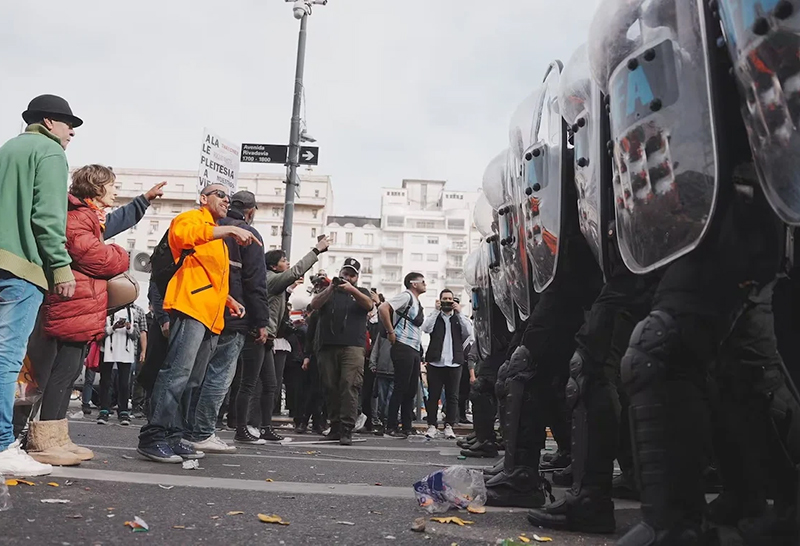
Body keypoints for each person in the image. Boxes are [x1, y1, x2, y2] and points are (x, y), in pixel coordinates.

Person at [137, 184, 257, 463]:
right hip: (190, 307)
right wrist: (229, 230)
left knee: (191, 380)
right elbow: (183, 236)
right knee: (176, 373)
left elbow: (206, 274)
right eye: (220, 194)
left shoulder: (215, 234)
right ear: (204, 198)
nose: (227, 199)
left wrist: (228, 299)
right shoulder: (193, 219)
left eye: (228, 196)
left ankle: (173, 435)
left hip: (211, 315)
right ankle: (152, 436)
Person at [26, 165, 131, 467]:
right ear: (96, 188)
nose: (115, 190)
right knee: (62, 373)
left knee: (68, 371)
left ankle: (57, 436)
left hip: (79, 306)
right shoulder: (78, 216)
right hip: (71, 305)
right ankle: (45, 440)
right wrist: (120, 254)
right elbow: (95, 258)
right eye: (112, 185)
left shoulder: (88, 217)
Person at [0, 95, 80, 477]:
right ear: (49, 122)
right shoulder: (49, 154)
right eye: (68, 126)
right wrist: (61, 268)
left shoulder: (9, 148)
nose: (71, 134)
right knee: (7, 359)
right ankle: (2, 445)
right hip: (22, 266)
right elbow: (48, 218)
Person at [186, 191, 269, 454]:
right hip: (234, 315)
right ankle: (202, 432)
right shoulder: (248, 234)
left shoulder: (209, 226)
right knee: (220, 375)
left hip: (203, 308)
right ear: (251, 210)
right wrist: (261, 321)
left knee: (195, 374)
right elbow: (255, 282)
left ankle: (187, 429)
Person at [234, 237, 328, 444]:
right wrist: (316, 250)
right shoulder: (269, 278)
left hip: (268, 337)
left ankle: (265, 428)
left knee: (270, 384)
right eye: (284, 260)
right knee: (249, 384)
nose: (287, 263)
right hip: (258, 335)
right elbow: (295, 272)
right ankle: (242, 429)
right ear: (273, 265)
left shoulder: (272, 280)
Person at [310, 258, 374, 445]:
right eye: (344, 273)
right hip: (327, 345)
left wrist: (351, 290)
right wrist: (331, 288)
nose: (346, 277)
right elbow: (314, 305)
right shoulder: (327, 292)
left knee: (349, 385)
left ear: (356, 277)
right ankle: (335, 426)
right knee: (330, 387)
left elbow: (369, 305)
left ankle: (347, 428)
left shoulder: (360, 292)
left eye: (351, 275)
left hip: (352, 346)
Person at [378, 272, 426, 438]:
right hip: (403, 346)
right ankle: (391, 426)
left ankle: (406, 426)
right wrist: (391, 332)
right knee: (400, 387)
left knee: (410, 389)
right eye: (422, 281)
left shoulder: (416, 301)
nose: (425, 284)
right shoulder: (406, 296)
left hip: (413, 348)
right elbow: (383, 307)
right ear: (413, 283)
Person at [421, 289, 473, 439]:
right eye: (445, 299)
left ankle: (449, 425)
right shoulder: (435, 317)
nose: (448, 302)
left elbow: (469, 332)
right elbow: (425, 328)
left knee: (453, 396)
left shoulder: (458, 318)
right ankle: (432, 425)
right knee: (433, 395)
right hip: (436, 362)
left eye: (450, 299)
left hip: (454, 362)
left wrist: (460, 312)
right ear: (440, 300)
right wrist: (435, 311)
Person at [98, 305, 143, 425]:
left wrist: (129, 328)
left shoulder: (132, 312)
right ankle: (104, 410)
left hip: (125, 351)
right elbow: (101, 334)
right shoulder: (107, 311)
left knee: (124, 383)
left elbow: (135, 336)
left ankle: (123, 411)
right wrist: (113, 327)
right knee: (106, 382)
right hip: (108, 350)